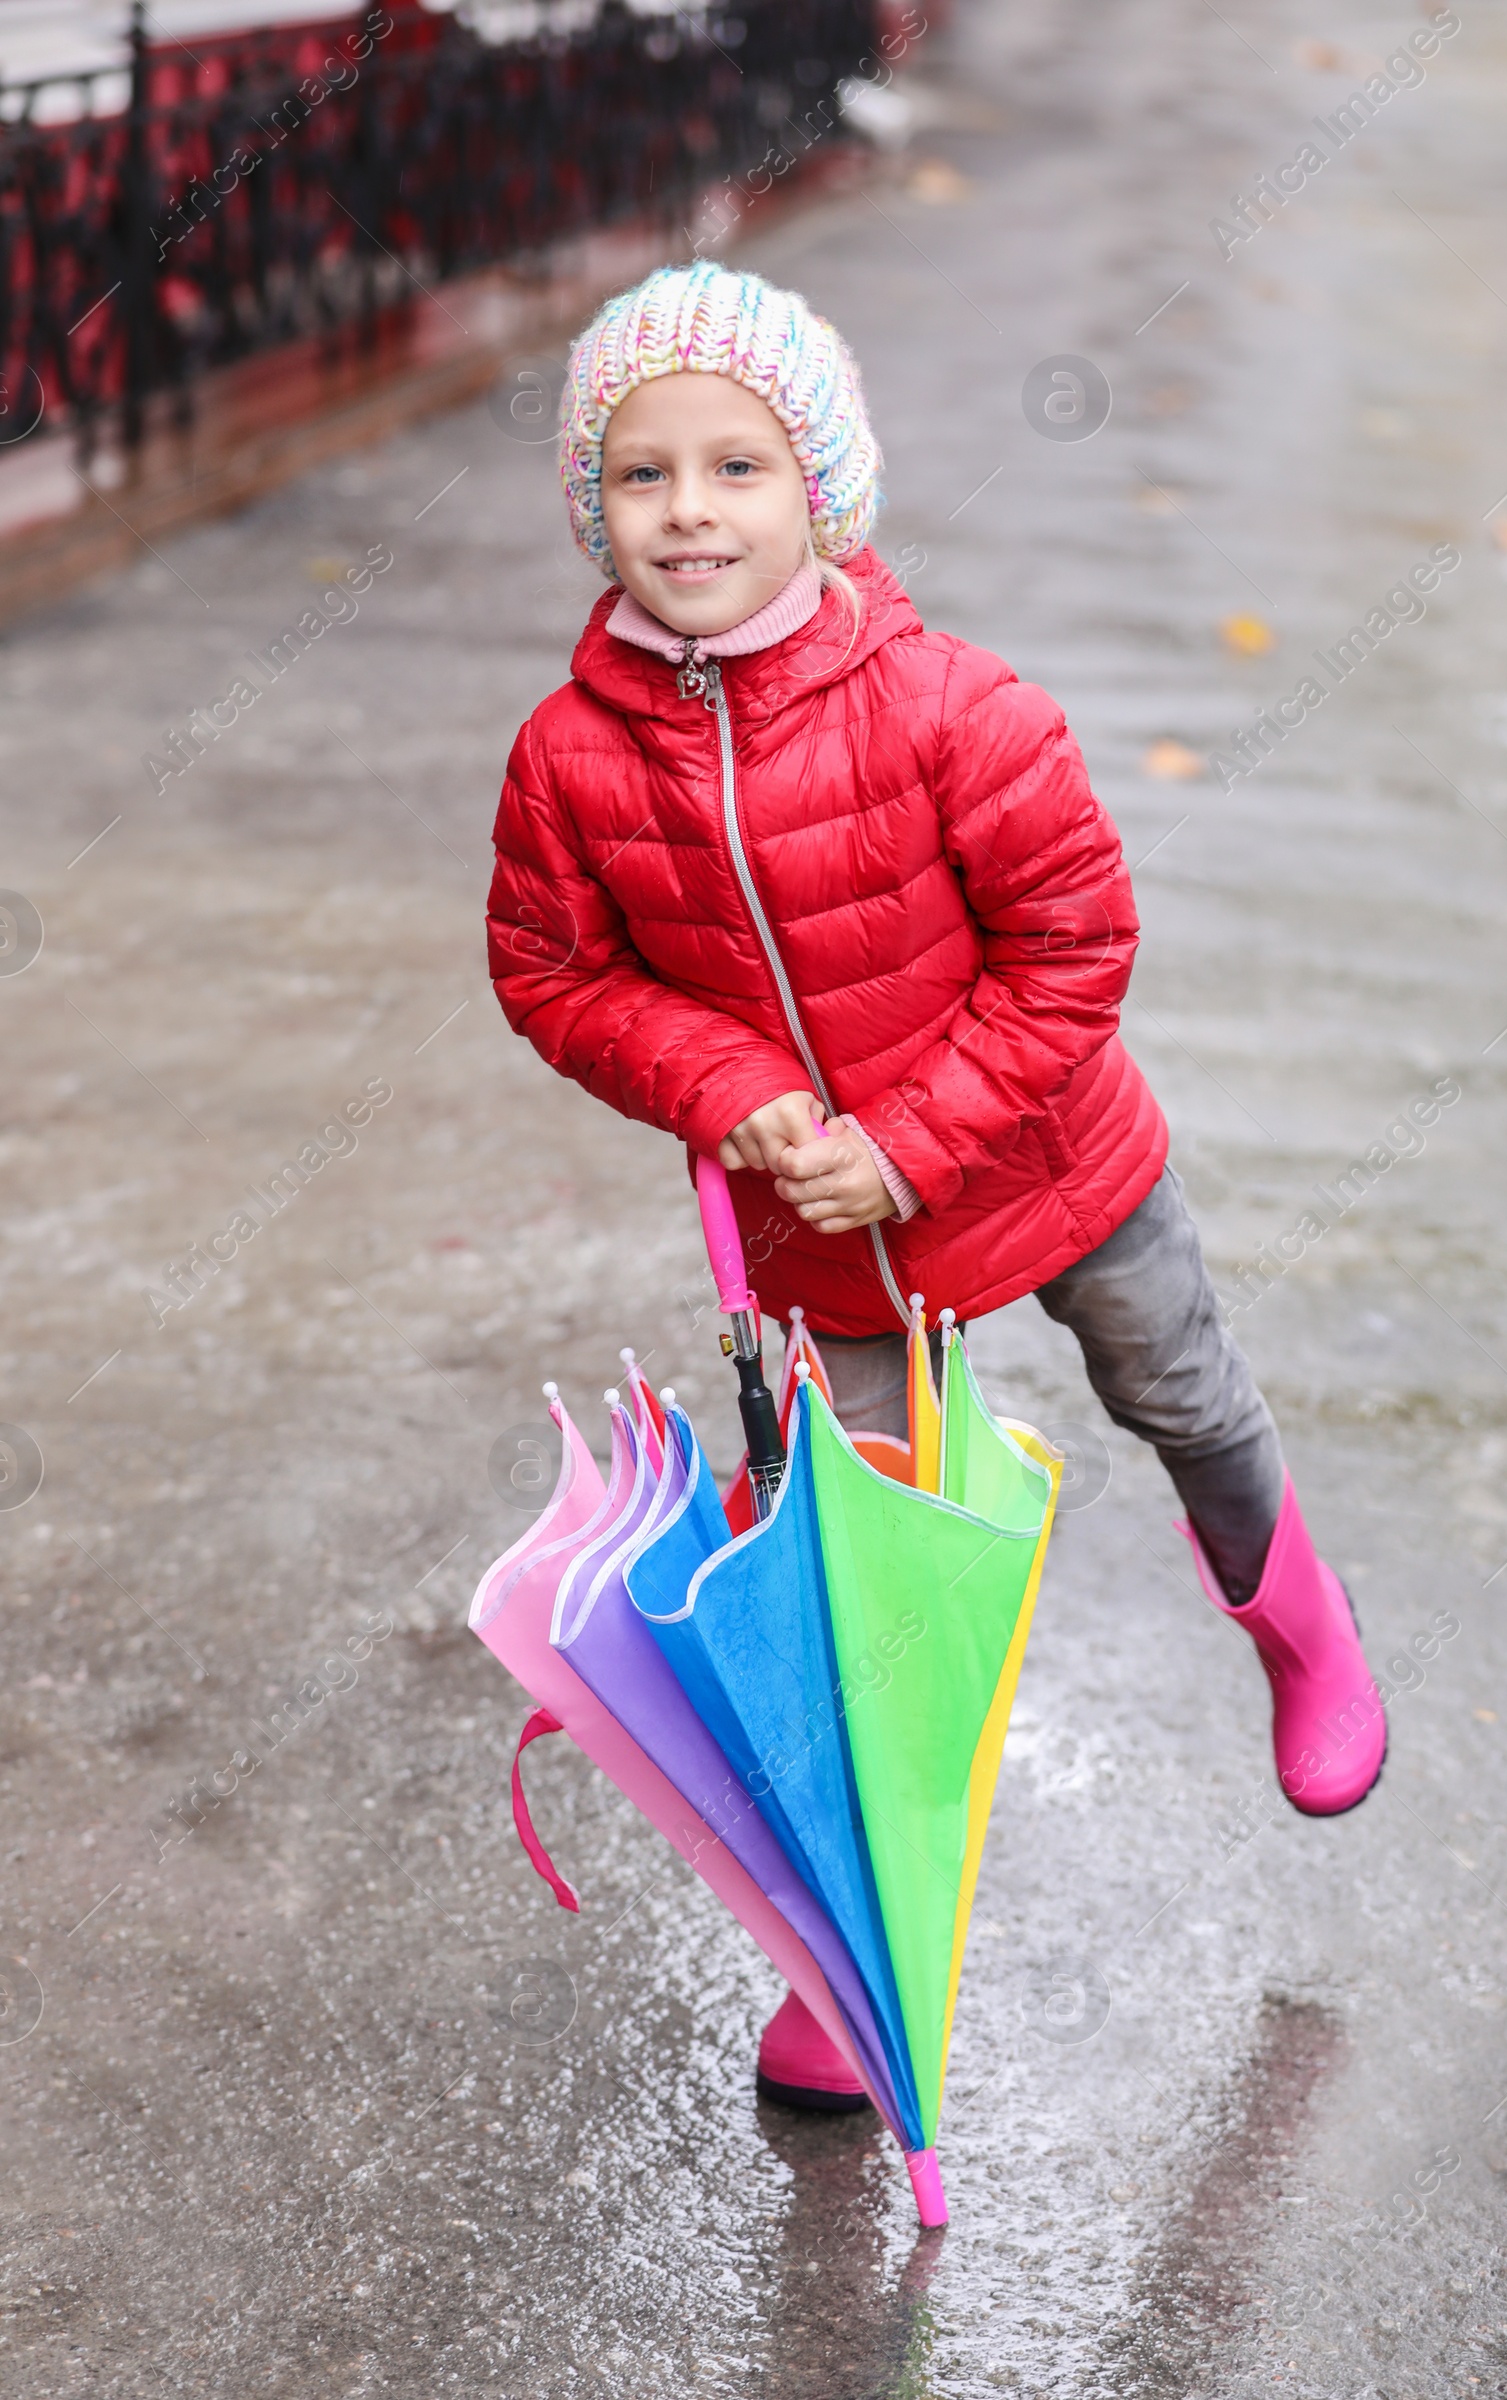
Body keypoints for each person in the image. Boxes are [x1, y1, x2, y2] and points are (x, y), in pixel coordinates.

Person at [486, 260, 1386, 2111]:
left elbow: (1073, 944)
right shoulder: (569, 761)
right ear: (596, 509)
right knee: (857, 1577)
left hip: (1047, 1158)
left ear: (823, 488)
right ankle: (863, 1949)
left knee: (1181, 1393)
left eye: (738, 467)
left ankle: (1294, 1620)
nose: (690, 513)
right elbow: (553, 977)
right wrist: (734, 1091)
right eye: (642, 477)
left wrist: (910, 1136)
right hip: (816, 1243)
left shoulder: (956, 709)